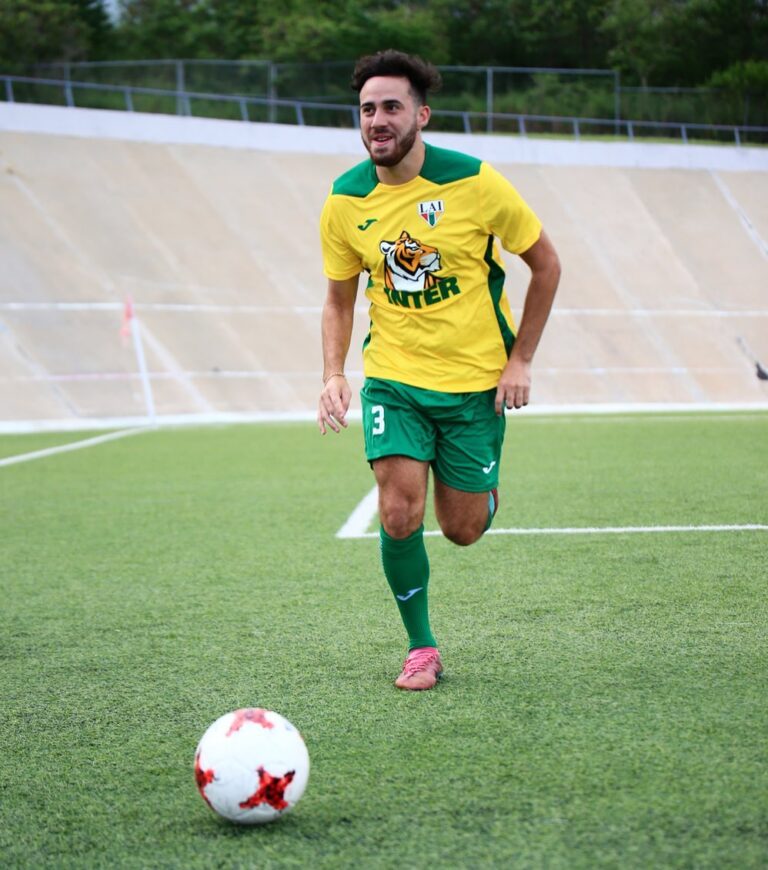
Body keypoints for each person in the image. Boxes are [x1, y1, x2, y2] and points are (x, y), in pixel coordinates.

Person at [317, 49, 560, 691]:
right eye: (367, 109)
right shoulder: (345, 200)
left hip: (476, 385)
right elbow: (340, 299)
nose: (377, 120)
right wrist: (334, 374)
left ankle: (480, 498)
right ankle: (421, 647)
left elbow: (548, 264)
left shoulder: (476, 183)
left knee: (462, 530)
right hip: (394, 381)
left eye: (391, 107)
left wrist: (522, 359)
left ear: (420, 115)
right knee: (399, 512)